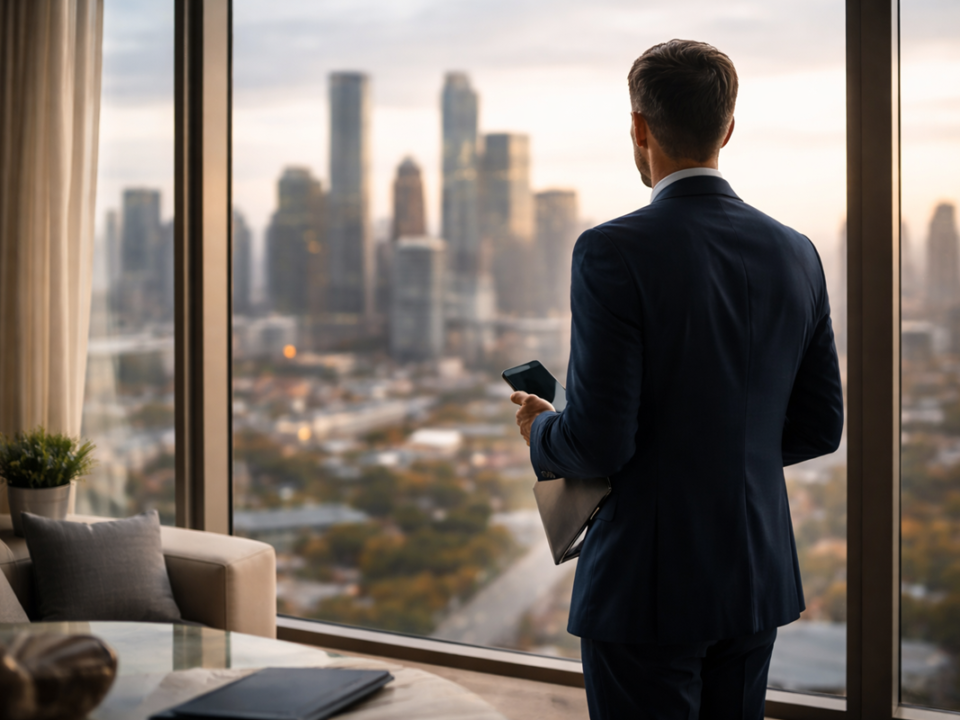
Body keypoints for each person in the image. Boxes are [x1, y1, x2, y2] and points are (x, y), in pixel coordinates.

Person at [510, 39, 844, 720]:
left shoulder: (610, 250)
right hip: (754, 576)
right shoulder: (798, 253)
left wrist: (541, 429)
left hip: (646, 585)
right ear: (727, 127)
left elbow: (600, 441)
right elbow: (819, 426)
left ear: (639, 127)